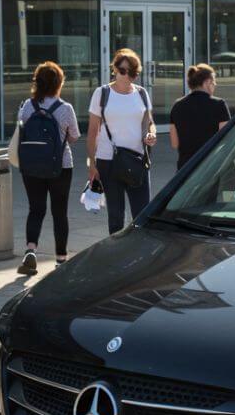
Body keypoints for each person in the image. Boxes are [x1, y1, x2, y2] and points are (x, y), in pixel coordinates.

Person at [16, 61, 80, 275]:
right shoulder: (65, 108)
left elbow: (21, 131)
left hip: (31, 166)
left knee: (36, 209)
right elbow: (74, 137)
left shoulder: (27, 106)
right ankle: (61, 258)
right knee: (59, 212)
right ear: (59, 83)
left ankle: (31, 250)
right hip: (60, 166)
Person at [87, 48, 157, 235]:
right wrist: (92, 165)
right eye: (124, 71)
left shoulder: (141, 94)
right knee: (116, 217)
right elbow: (93, 132)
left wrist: (151, 134)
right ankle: (115, 258)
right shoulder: (102, 94)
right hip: (108, 162)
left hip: (137, 160)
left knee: (142, 215)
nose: (128, 77)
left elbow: (149, 123)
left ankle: (140, 257)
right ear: (115, 70)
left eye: (133, 73)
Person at [169, 64, 230, 169]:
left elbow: (174, 143)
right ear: (206, 83)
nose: (215, 84)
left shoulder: (177, 105)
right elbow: (226, 138)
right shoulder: (219, 104)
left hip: (185, 167)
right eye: (213, 82)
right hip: (211, 167)